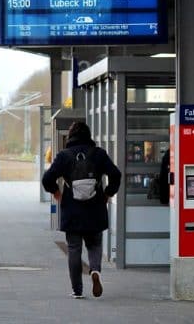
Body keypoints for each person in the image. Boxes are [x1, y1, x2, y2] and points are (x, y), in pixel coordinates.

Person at [42, 122, 121, 299]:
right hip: (95, 209)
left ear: (70, 136)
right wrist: (108, 193)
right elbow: (116, 174)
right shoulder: (98, 154)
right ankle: (95, 271)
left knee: (74, 249)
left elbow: (47, 178)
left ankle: (77, 290)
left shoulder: (64, 156)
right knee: (94, 245)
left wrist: (56, 191)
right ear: (89, 135)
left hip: (72, 210)